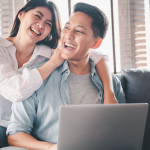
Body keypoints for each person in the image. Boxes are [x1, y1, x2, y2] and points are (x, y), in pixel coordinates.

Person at [6, 2, 125, 150]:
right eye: (67, 28)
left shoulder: (111, 83)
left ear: (95, 43)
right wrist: (51, 148)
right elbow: (15, 134)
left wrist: (109, 91)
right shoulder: (36, 79)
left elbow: (122, 132)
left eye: (79, 31)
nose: (68, 35)